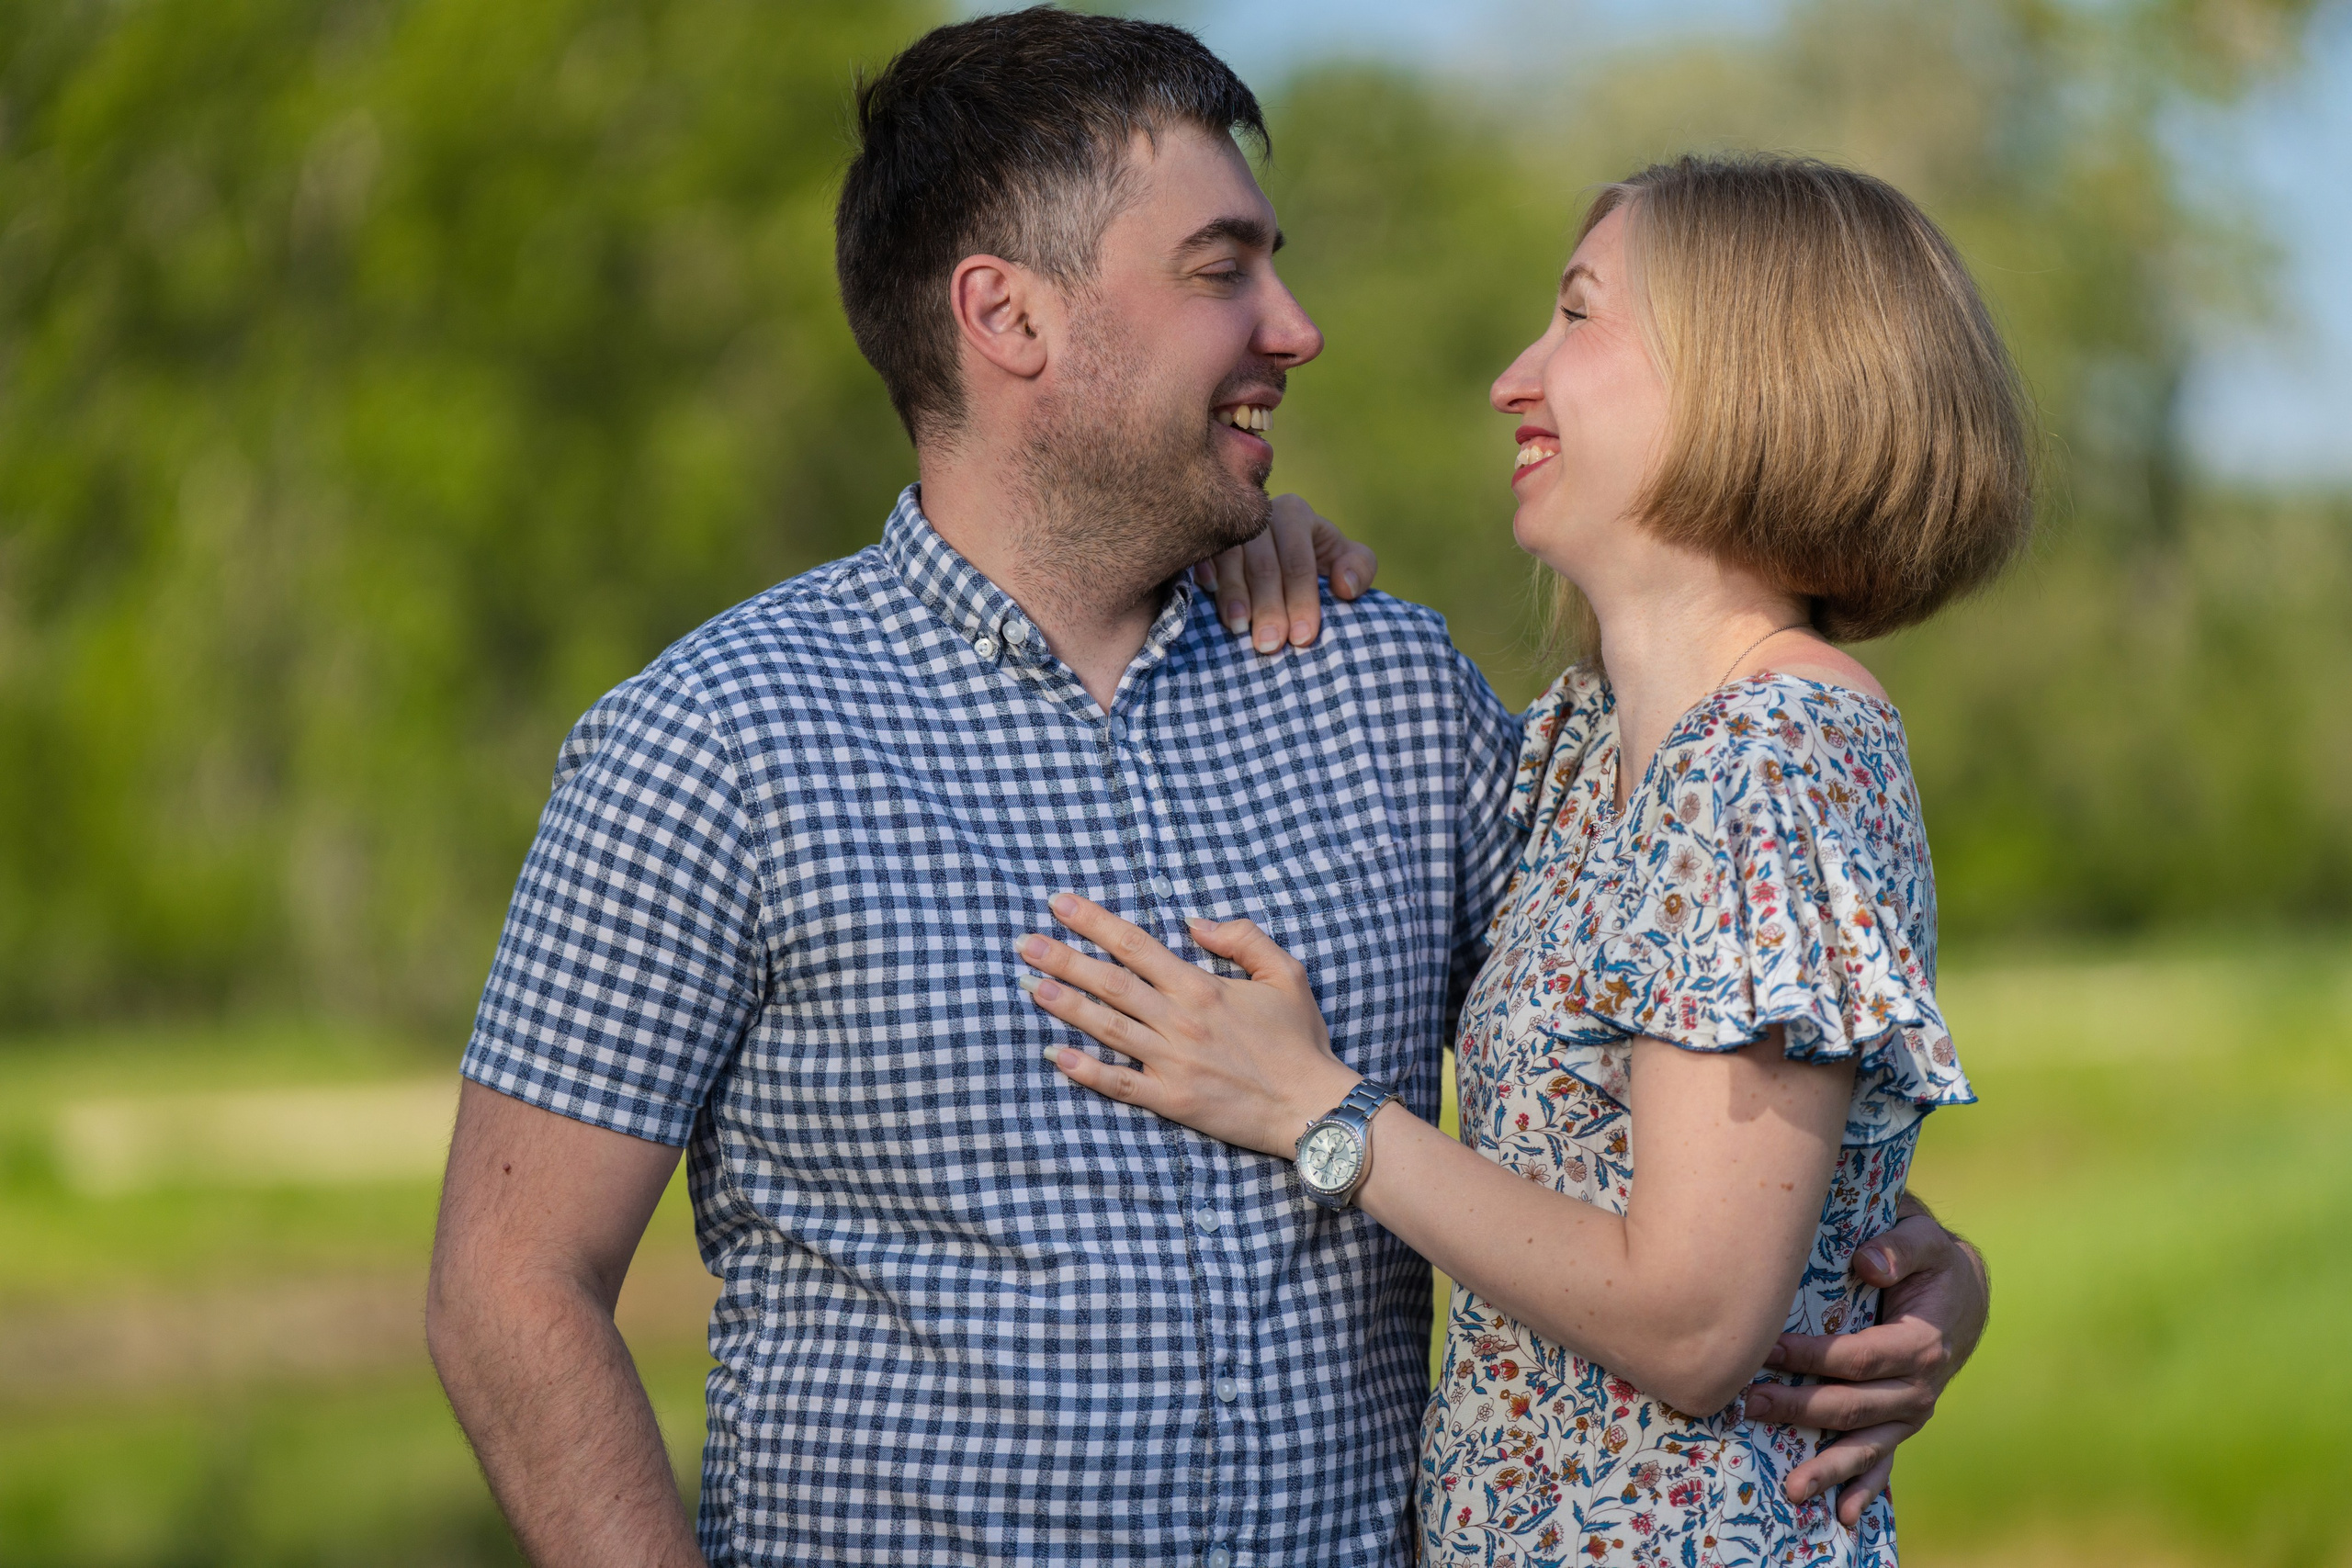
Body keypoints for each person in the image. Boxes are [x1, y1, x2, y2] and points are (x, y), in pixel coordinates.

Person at [424, 11, 1989, 1566]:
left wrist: (1911, 1277)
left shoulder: (1389, 691)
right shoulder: (713, 742)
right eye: (1219, 269)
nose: (1296, 328)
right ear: (1008, 316)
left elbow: (1638, 1097)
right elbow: (510, 1290)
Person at [1019, 152, 2025, 1565]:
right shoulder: (1590, 752)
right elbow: (1711, 1169)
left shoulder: (1772, 756)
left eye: (1580, 315)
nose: (1514, 378)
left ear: (1748, 377)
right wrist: (1244, 536)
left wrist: (1313, 1108)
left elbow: (1695, 1324)